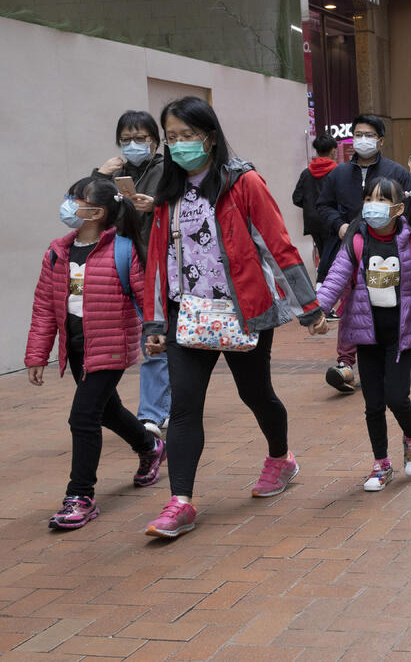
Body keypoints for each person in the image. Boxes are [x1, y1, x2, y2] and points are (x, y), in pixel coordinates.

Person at [142, 96, 327, 538]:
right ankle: (180, 503)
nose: (180, 145)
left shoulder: (243, 182)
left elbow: (277, 244)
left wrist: (309, 306)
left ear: (209, 136)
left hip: (244, 310)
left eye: (188, 136)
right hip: (188, 316)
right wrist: (154, 323)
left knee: (256, 393)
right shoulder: (168, 193)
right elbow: (157, 259)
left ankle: (281, 457)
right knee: (184, 406)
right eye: (172, 138)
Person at [25, 177, 166, 530]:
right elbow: (44, 307)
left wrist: (154, 332)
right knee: (108, 410)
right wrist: (37, 355)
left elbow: (145, 293)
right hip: (76, 347)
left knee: (83, 417)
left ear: (97, 212)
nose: (68, 204)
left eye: (75, 199)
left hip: (111, 346)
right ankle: (150, 447)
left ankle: (80, 496)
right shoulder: (57, 252)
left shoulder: (123, 249)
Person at [316, 177, 411, 491]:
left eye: (381, 200)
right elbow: (336, 278)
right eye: (369, 197)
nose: (372, 205)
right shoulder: (356, 241)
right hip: (365, 335)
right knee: (373, 404)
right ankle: (381, 463)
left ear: (398, 208)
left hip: (400, 336)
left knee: (397, 397)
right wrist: (318, 309)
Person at [316, 114, 411, 393]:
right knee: (351, 302)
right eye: (357, 133)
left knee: (386, 302)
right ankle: (346, 364)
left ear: (380, 140)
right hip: (352, 248)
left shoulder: (397, 172)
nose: (362, 139)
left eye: (368, 135)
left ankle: (392, 354)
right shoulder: (338, 174)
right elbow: (322, 206)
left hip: (389, 250)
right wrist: (340, 226)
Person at [92, 110, 170, 440]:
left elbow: (185, 204)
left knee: (154, 338)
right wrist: (99, 176)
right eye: (126, 140)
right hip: (121, 264)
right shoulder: (115, 173)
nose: (133, 145)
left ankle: (151, 413)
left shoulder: (168, 170)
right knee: (117, 339)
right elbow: (89, 208)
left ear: (155, 141)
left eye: (141, 138)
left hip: (157, 263)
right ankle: (154, 404)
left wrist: (156, 205)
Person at [292, 133, 338, 290]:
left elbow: (296, 198)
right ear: (333, 151)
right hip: (331, 221)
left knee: (324, 252)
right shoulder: (337, 172)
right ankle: (323, 288)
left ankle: (322, 287)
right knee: (330, 256)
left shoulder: (306, 173)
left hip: (313, 222)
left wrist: (311, 207)